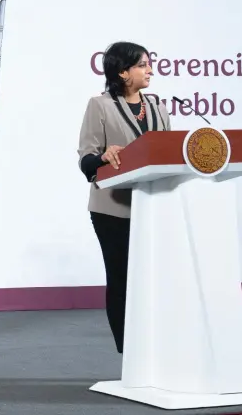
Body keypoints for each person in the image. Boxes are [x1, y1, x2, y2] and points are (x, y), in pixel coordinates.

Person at [77, 41, 170, 354]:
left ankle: (155, 347)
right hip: (113, 210)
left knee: (152, 280)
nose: (150, 71)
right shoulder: (99, 105)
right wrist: (103, 157)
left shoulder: (158, 108)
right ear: (122, 72)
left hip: (154, 206)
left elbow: (168, 155)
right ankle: (129, 351)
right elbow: (86, 158)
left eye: (149, 63)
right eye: (143, 65)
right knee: (122, 278)